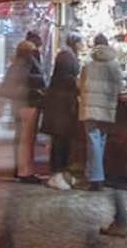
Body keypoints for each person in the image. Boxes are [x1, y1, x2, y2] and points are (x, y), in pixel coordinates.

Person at [80, 33, 122, 194]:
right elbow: (119, 84)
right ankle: (97, 174)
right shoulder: (114, 63)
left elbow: (80, 83)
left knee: (93, 140)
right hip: (107, 105)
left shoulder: (88, 62)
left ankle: (95, 178)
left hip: (90, 105)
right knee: (101, 140)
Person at [2, 34, 46, 182]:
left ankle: (22, 169)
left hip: (21, 103)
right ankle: (25, 172)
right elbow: (25, 79)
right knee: (26, 138)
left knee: (22, 137)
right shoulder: (28, 60)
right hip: (27, 103)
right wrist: (38, 88)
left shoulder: (19, 60)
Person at [42, 34, 82, 187]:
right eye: (81, 42)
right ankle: (57, 173)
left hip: (62, 103)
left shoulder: (67, 55)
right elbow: (66, 79)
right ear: (76, 43)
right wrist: (78, 85)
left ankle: (60, 173)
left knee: (62, 140)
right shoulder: (66, 56)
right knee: (60, 140)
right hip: (61, 105)